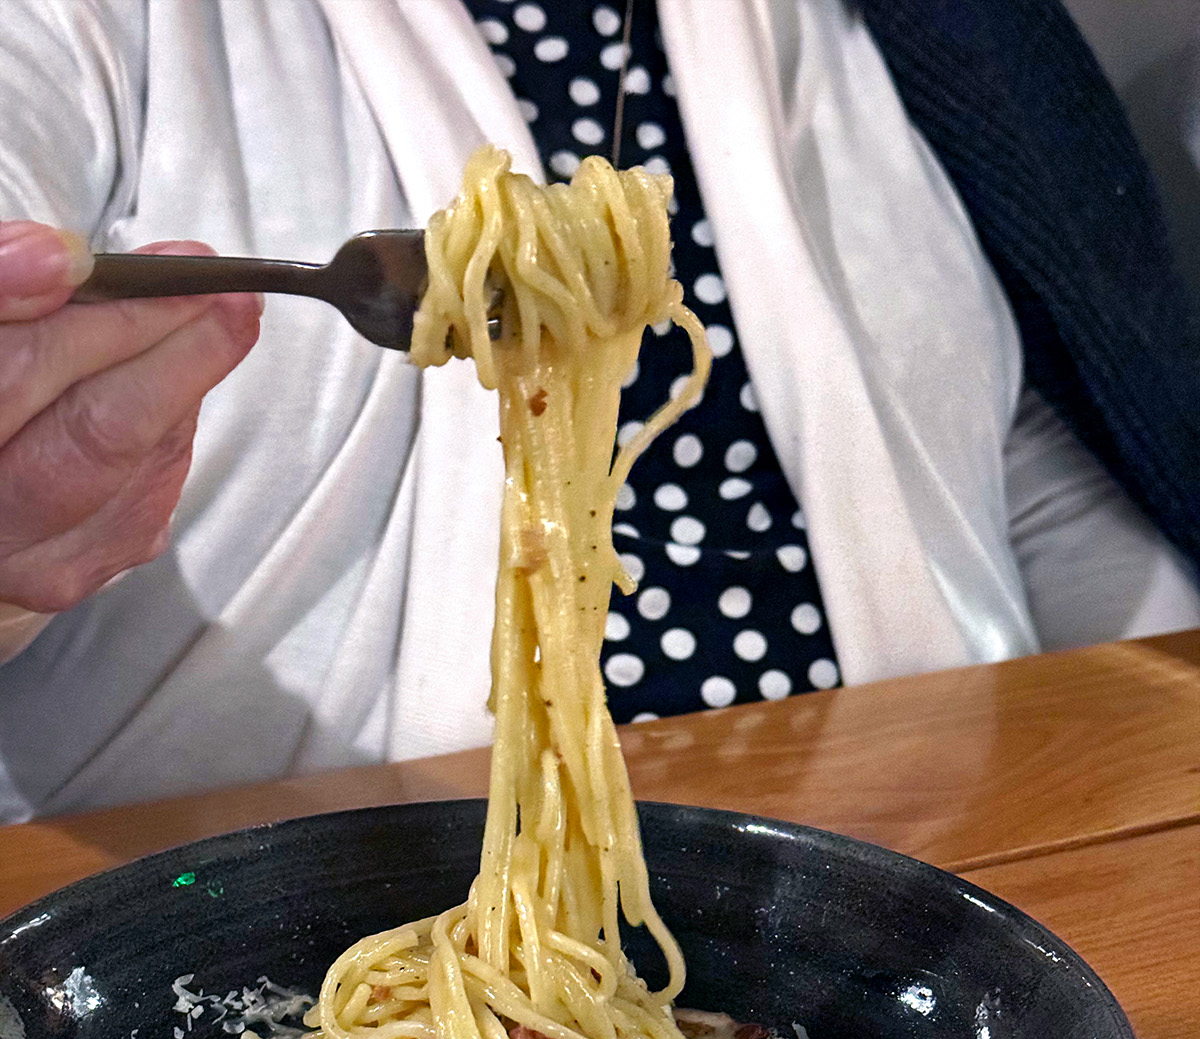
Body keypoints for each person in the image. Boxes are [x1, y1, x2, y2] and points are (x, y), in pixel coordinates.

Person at [0, 0, 1196, 823]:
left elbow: (1010, 454)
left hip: (925, 881)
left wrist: (1152, 734)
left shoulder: (911, 32)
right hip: (271, 932)